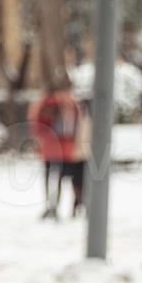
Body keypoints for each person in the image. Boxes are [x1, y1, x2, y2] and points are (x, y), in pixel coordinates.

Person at [29, 86, 87, 221]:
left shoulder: (70, 105)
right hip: (57, 150)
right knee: (55, 179)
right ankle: (53, 207)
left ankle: (67, 207)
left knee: (68, 180)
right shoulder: (54, 105)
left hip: (65, 151)